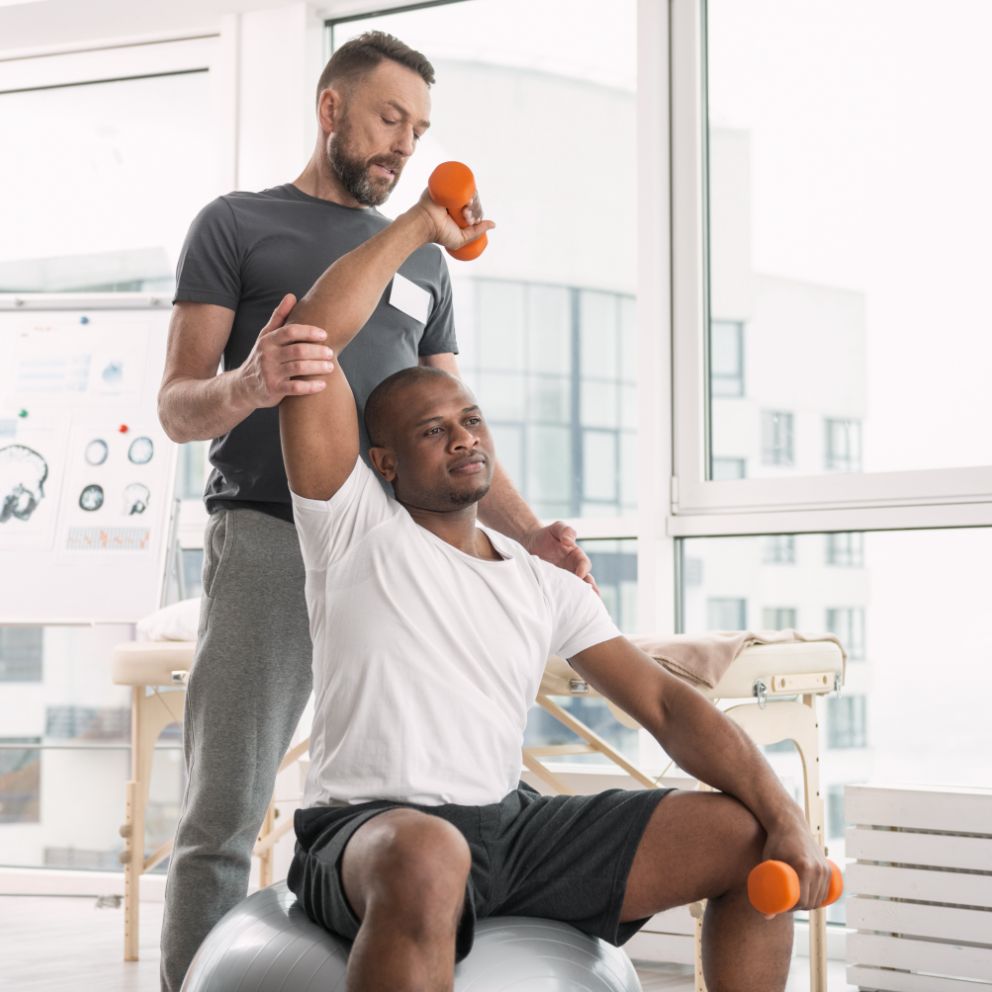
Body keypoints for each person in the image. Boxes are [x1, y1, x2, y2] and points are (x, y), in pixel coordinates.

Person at [276, 188, 832, 992]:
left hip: (511, 829)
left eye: (471, 420)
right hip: (372, 833)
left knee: (747, 833)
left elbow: (669, 707)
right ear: (386, 464)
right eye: (433, 431)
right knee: (429, 850)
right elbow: (308, 341)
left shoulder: (543, 582)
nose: (464, 436)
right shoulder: (354, 527)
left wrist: (788, 816)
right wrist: (423, 227)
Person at [156, 31, 592, 992]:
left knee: (413, 799)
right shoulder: (234, 224)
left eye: (421, 128)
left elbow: (450, 421)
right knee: (222, 812)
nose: (406, 146)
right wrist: (249, 387)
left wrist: (533, 534)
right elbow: (177, 403)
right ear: (331, 109)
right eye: (391, 119)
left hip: (394, 560)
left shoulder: (428, 266)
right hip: (272, 536)